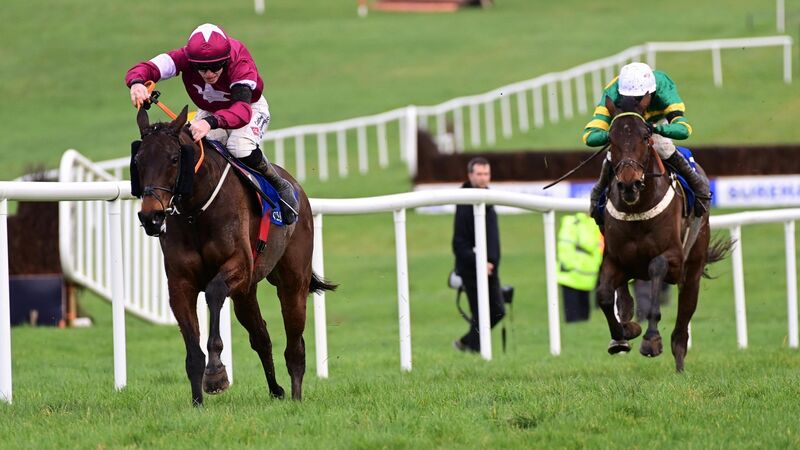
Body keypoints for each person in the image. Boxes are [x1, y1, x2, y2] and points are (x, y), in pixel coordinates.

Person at [125, 23, 298, 224]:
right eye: (201, 68)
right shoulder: (183, 57)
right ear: (191, 61)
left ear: (226, 60)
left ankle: (278, 184)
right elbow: (147, 68)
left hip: (247, 108)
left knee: (239, 148)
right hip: (210, 111)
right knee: (190, 148)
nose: (208, 73)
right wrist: (137, 82)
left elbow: (241, 112)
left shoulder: (239, 62)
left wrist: (210, 122)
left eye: (215, 66)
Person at [582, 62, 710, 226]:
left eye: (639, 97)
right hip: (626, 130)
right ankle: (598, 192)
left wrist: (656, 129)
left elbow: (684, 129)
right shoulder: (612, 91)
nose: (635, 102)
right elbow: (589, 136)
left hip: (654, 125)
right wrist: (616, 135)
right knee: (613, 153)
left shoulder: (663, 86)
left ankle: (697, 186)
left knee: (664, 147)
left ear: (651, 92)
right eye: (631, 98)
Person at [452, 157, 506, 352]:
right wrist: (480, 262)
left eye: (486, 174)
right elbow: (459, 243)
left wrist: (491, 262)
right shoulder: (464, 200)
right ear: (470, 175)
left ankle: (466, 343)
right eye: (479, 174)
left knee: (498, 311)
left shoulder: (488, 198)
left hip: (490, 268)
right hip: (473, 269)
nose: (483, 178)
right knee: (482, 313)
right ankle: (476, 354)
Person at [556, 213, 604, 322]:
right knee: (574, 319)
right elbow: (565, 248)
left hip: (587, 279)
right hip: (571, 278)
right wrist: (571, 266)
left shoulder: (594, 224)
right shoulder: (573, 223)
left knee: (583, 319)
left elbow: (599, 248)